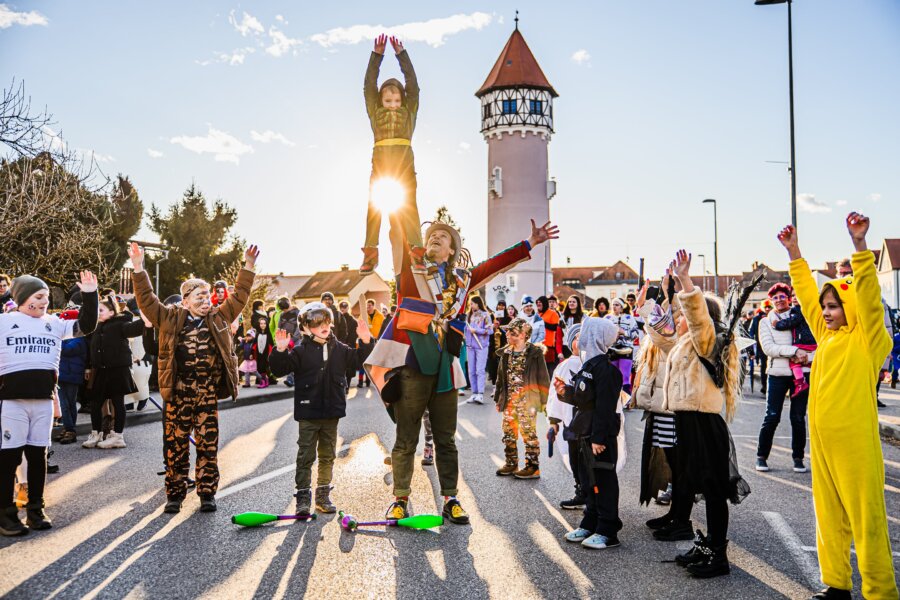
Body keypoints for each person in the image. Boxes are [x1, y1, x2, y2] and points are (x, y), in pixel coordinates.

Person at [365, 218, 558, 524]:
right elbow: (397, 235)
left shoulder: (464, 279)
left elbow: (496, 264)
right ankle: (400, 499)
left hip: (445, 366)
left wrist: (530, 242)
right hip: (412, 364)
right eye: (432, 236)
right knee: (405, 439)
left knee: (446, 439)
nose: (435, 239)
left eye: (443, 236)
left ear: (453, 248)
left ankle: (450, 498)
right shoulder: (411, 271)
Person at [779, 214, 897, 600]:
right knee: (828, 517)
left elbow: (867, 299)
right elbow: (806, 294)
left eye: (834, 306)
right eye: (825, 306)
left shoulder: (868, 341)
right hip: (824, 444)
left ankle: (880, 591)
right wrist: (795, 253)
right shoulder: (826, 338)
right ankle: (837, 585)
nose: (826, 312)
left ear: (850, 307)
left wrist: (860, 248)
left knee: (867, 520)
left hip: (856, 447)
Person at [128, 242, 258, 515]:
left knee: (208, 445)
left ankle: (207, 493)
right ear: (185, 299)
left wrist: (247, 266)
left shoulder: (219, 316)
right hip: (177, 392)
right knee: (175, 447)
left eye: (208, 295)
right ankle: (174, 495)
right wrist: (139, 268)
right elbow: (146, 299)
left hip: (207, 392)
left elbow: (241, 296)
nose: (205, 299)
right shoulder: (169, 317)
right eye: (198, 296)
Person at [663, 249, 749, 579]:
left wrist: (686, 280)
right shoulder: (686, 342)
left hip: (702, 422)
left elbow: (697, 317)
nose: (680, 316)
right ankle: (708, 544)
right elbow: (661, 330)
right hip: (689, 420)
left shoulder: (705, 339)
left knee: (713, 490)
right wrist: (666, 289)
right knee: (698, 484)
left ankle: (718, 554)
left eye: (683, 311)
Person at [0, 271, 98, 536]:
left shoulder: (54, 322)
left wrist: (90, 294)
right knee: (9, 458)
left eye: (46, 296)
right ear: (22, 298)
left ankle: (35, 509)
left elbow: (87, 325)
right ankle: (6, 513)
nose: (44, 301)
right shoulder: (4, 322)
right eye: (38, 296)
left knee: (37, 456)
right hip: (11, 401)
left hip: (43, 400)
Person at [269, 302, 373, 516]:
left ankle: (323, 494)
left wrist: (365, 341)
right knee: (305, 455)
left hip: (331, 412)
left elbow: (360, 361)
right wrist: (280, 349)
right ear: (305, 328)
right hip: (308, 412)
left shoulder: (340, 349)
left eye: (326, 321)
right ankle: (303, 496)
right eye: (317, 323)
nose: (324, 326)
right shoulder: (299, 351)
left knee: (328, 455)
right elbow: (279, 370)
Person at [360, 34, 425, 275]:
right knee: (375, 205)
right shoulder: (374, 111)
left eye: (397, 100)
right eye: (388, 100)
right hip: (381, 160)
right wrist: (376, 56)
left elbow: (413, 85)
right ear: (381, 101)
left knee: (408, 204)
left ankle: (417, 251)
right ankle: (370, 251)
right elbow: (368, 86)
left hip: (404, 159)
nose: (393, 104)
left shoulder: (409, 110)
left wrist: (401, 55)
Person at [557, 317, 624, 550]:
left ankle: (608, 529)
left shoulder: (607, 371)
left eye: (585, 331)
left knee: (603, 481)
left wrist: (598, 439)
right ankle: (590, 522)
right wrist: (564, 392)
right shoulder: (588, 365)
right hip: (583, 433)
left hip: (599, 437)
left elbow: (605, 409)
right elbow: (582, 399)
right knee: (589, 481)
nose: (580, 336)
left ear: (594, 336)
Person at [633, 277, 692, 541]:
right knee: (671, 463)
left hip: (672, 406)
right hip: (660, 405)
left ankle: (682, 520)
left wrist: (646, 308)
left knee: (679, 466)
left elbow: (662, 334)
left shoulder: (681, 327)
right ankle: (675, 514)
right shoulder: (669, 317)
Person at [755, 283, 813, 473]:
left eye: (782, 296)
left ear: (788, 298)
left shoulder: (802, 317)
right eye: (775, 297)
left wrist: (804, 354)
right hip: (777, 374)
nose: (779, 300)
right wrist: (795, 351)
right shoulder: (766, 322)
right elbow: (768, 348)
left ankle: (798, 458)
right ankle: (761, 456)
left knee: (798, 418)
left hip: (802, 374)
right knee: (772, 416)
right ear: (771, 301)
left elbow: (813, 344)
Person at [81, 294, 145, 449]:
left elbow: (136, 329)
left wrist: (146, 316)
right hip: (100, 371)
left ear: (111, 312)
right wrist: (89, 366)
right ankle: (96, 433)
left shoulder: (121, 324)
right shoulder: (96, 328)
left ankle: (117, 436)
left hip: (118, 370)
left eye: (101, 310)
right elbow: (92, 349)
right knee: (95, 403)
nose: (98, 314)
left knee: (118, 403)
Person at [493, 317, 550, 479]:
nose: (508, 335)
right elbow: (500, 378)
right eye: (508, 332)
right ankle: (511, 463)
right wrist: (499, 399)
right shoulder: (506, 352)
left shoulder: (534, 354)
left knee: (528, 433)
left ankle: (532, 466)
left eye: (512, 332)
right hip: (509, 401)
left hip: (528, 402)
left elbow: (543, 379)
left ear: (524, 335)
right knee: (509, 432)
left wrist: (545, 403)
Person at [546, 323, 585, 509]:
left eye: (584, 336)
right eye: (576, 337)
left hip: (589, 422)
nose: (580, 340)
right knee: (575, 457)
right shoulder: (564, 366)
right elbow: (555, 396)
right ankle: (580, 489)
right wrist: (553, 422)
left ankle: (591, 492)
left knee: (589, 460)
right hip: (571, 422)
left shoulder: (594, 362)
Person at [57, 310, 89, 445]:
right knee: (64, 403)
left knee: (69, 403)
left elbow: (68, 350)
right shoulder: (66, 336)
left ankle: (71, 430)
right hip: (62, 373)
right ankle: (67, 428)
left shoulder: (79, 337)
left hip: (72, 374)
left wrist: (57, 341)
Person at [605, 298, 639, 394]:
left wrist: (624, 332)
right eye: (613, 304)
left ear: (622, 307)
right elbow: (602, 334)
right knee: (613, 375)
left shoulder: (629, 318)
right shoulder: (607, 318)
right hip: (611, 350)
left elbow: (635, 334)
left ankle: (626, 400)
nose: (614, 307)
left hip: (626, 349)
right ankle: (614, 400)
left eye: (617, 305)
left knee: (625, 376)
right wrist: (612, 337)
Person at [464, 296, 492, 405]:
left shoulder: (485, 315)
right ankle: (474, 393)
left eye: (472, 303)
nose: (470, 306)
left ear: (477, 303)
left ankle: (480, 394)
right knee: (471, 370)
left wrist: (477, 330)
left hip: (481, 346)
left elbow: (490, 330)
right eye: (470, 304)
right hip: (470, 346)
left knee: (480, 370)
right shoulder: (468, 315)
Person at [537, 296, 564, 374]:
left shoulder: (553, 313)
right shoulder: (537, 314)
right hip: (537, 345)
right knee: (539, 368)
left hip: (549, 345)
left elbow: (555, 327)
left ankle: (550, 385)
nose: (538, 304)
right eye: (537, 302)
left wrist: (543, 323)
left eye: (540, 302)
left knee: (549, 369)